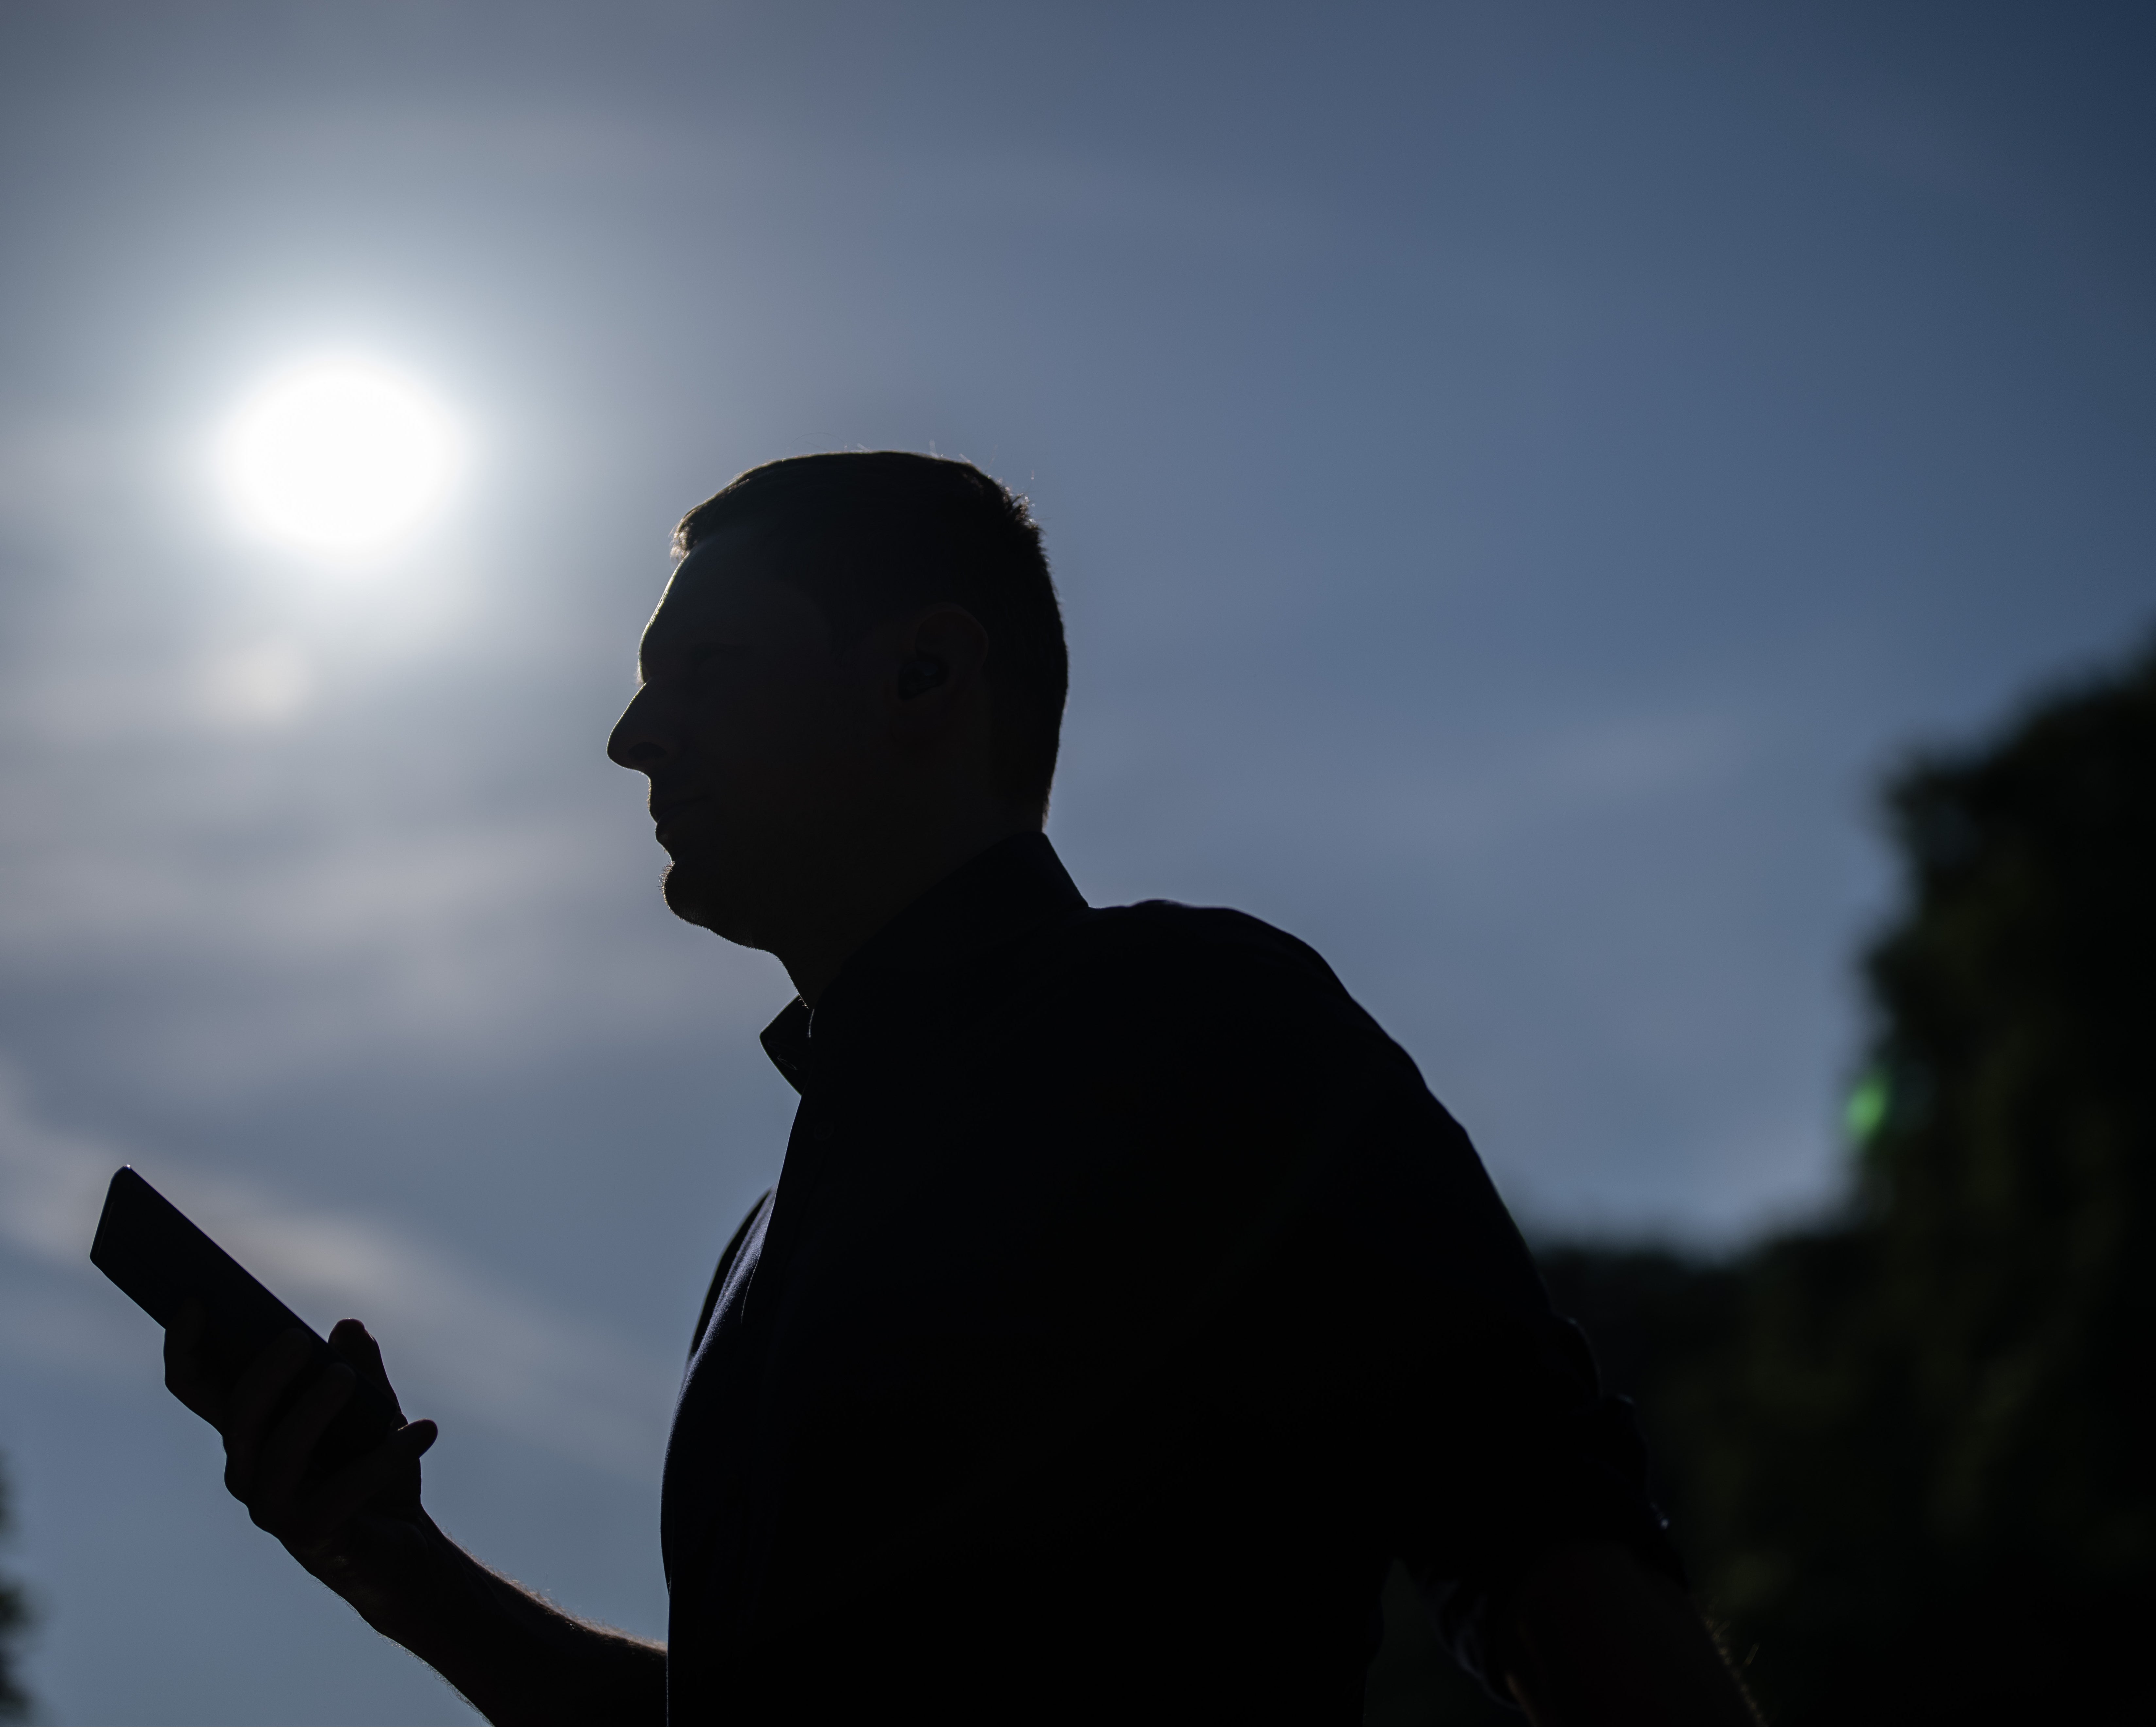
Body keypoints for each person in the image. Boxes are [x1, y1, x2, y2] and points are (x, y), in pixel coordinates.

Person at [165, 451, 1758, 1724]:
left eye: (701, 666)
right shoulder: (758, 1241)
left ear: (924, 676)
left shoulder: (1199, 1022)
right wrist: (390, 1560)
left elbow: (1543, 1549)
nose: (630, 736)